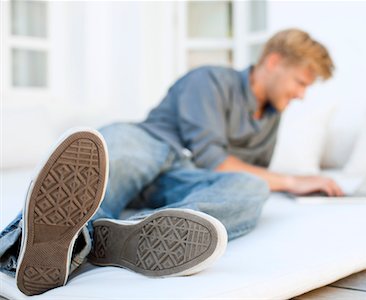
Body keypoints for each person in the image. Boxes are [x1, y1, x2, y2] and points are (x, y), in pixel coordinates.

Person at [0, 28, 343, 296]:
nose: (302, 94)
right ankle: (38, 249)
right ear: (273, 62)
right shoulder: (211, 80)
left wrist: (283, 181)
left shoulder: (271, 115)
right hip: (152, 142)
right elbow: (218, 161)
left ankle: (134, 233)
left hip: (183, 179)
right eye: (301, 81)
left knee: (252, 187)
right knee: (113, 160)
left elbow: (239, 175)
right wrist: (294, 180)